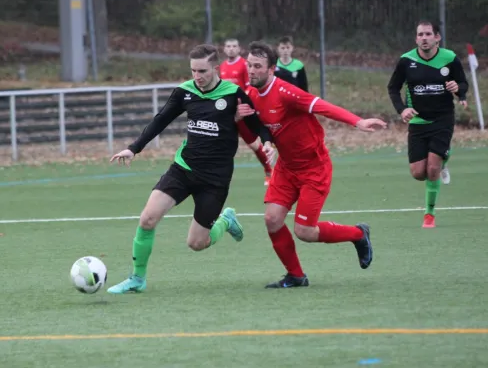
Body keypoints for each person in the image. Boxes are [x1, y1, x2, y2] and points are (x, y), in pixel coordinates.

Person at [107, 44, 275, 294]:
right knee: (147, 219)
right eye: (193, 71)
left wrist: (268, 142)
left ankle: (225, 221)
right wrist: (134, 148)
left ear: (215, 68)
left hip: (215, 179)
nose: (197, 76)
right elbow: (160, 120)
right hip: (183, 169)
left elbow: (257, 124)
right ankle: (137, 279)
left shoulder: (234, 94)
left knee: (197, 243)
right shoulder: (184, 92)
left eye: (202, 71)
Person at [237, 41, 387, 289]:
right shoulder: (250, 95)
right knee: (272, 219)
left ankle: (358, 234)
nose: (251, 71)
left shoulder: (286, 92)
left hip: (313, 168)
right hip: (286, 168)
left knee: (305, 231)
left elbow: (323, 107)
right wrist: (264, 140)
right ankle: (296, 276)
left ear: (272, 69)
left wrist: (357, 122)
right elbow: (260, 126)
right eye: (249, 65)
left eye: (257, 66)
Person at [387, 20, 468, 228]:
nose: (424, 38)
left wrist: (457, 89)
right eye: (420, 34)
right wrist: (402, 109)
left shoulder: (449, 58)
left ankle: (429, 214)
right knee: (418, 173)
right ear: (416, 38)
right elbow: (393, 88)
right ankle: (445, 156)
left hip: (443, 119)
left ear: (437, 37)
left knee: (433, 169)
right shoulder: (406, 61)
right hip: (418, 121)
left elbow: (463, 84)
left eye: (428, 34)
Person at [220, 38, 274, 186]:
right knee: (222, 142)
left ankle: (269, 171)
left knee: (254, 144)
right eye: (228, 46)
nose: (231, 49)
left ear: (239, 49)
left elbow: (249, 87)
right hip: (229, 113)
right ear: (224, 49)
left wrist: (244, 102)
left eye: (234, 46)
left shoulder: (245, 64)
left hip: (243, 110)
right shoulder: (223, 66)